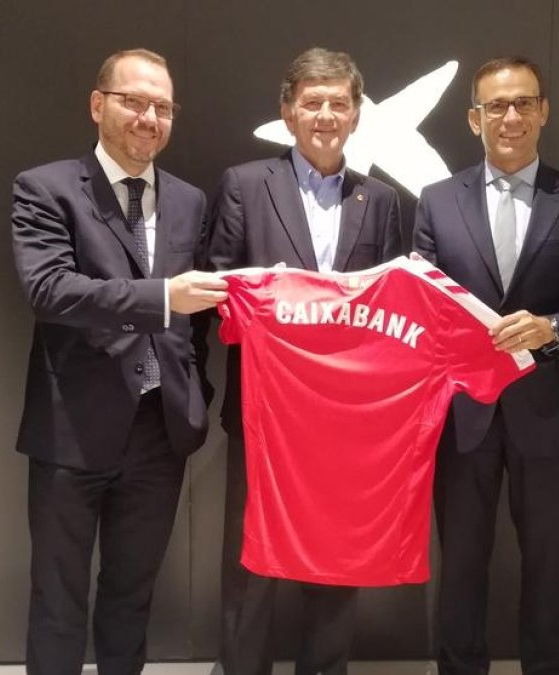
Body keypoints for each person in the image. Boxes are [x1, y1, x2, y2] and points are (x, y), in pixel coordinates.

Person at [10, 48, 227, 675]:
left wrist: (193, 392)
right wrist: (162, 300)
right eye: (134, 101)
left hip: (159, 432)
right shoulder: (46, 188)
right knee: (58, 600)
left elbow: (201, 318)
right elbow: (50, 292)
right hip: (71, 431)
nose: (149, 116)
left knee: (132, 598)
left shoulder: (189, 200)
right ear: (98, 104)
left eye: (162, 106)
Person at [202, 46, 403, 675]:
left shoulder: (385, 202)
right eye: (312, 102)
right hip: (265, 412)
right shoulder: (243, 184)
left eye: (338, 103)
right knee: (251, 557)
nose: (325, 115)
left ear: (356, 114)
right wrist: (275, 299)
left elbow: (396, 307)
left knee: (336, 556)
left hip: (348, 419)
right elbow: (217, 286)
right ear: (288, 112)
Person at [412, 56, 559, 675]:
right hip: (461, 417)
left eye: (524, 102)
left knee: (550, 563)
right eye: (496, 105)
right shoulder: (436, 201)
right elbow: (419, 311)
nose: (511, 116)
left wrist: (554, 328)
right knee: (462, 562)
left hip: (549, 416)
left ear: (544, 111)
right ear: (474, 118)